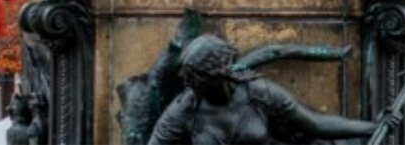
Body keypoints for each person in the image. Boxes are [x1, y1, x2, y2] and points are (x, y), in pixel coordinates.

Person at [145, 37, 373, 145]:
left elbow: (316, 124)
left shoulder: (260, 92)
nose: (185, 82)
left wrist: (372, 128)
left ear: (216, 75)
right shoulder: (184, 109)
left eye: (192, 76)